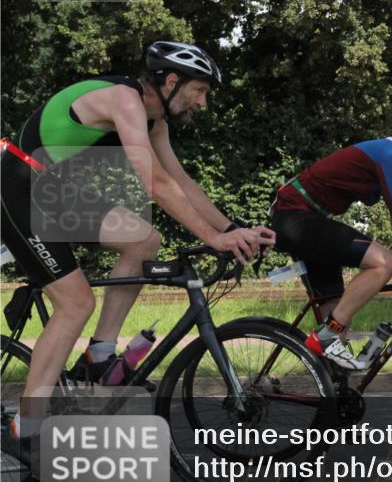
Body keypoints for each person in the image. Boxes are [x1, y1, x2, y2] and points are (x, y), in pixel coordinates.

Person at [0, 41, 275, 456]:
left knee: (144, 239)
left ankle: (99, 356)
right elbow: (155, 184)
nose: (202, 103)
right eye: (199, 90)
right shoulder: (124, 100)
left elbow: (181, 183)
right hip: (17, 187)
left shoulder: (153, 120)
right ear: (171, 81)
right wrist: (213, 238)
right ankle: (27, 426)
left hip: (50, 191)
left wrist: (232, 229)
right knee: (76, 303)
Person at [270, 117, 392, 369]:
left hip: (307, 219)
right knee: (384, 263)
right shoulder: (390, 157)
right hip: (295, 217)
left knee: (339, 313)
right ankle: (326, 336)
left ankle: (331, 385)